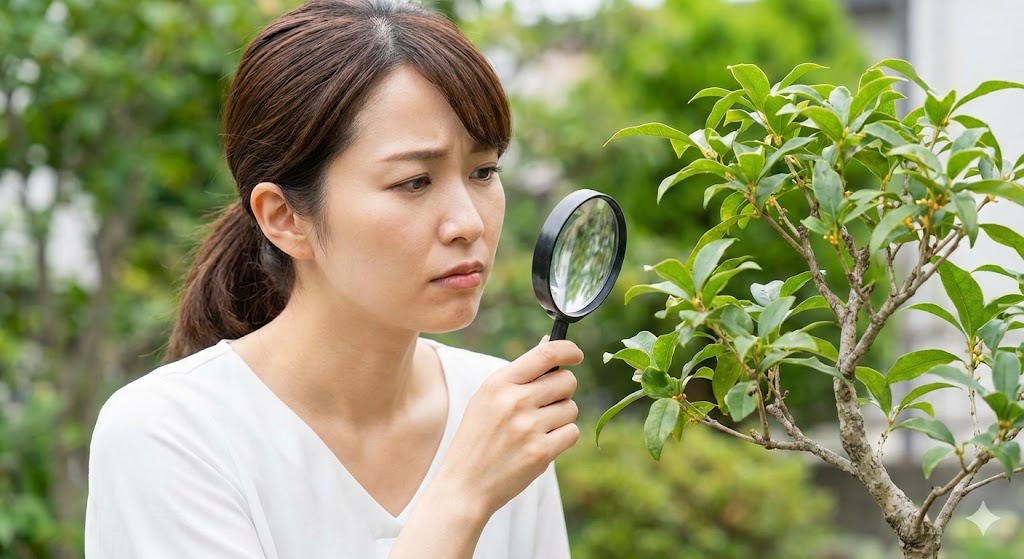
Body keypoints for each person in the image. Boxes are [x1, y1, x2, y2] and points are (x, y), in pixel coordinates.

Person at [83, 1, 584, 557]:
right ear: (284, 218)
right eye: (414, 182)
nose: (468, 222)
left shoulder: (501, 410)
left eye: (484, 171)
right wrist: (463, 496)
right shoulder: (170, 434)